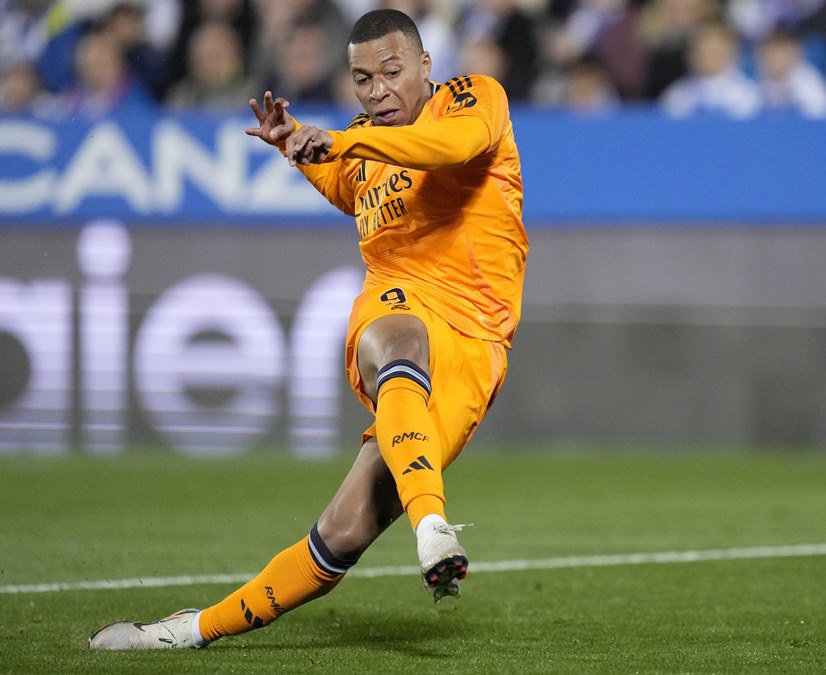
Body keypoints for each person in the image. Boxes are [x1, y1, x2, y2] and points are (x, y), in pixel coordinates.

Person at [88, 7, 528, 650]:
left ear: (426, 65)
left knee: (344, 533)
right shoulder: (362, 146)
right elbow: (342, 181)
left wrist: (343, 142)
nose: (377, 91)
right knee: (399, 336)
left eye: (392, 72)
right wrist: (294, 144)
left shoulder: (473, 98)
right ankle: (432, 527)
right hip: (399, 303)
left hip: (477, 343)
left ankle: (198, 625)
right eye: (362, 79)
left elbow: (449, 150)